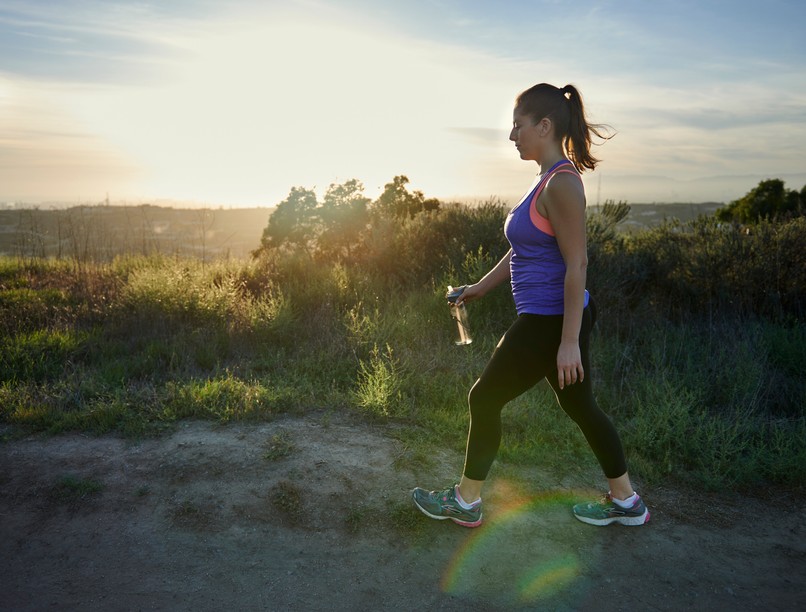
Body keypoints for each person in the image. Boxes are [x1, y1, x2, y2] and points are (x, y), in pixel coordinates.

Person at [411, 83, 649, 528]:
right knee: (581, 407)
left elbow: (577, 264)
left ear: (544, 126)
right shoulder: (544, 181)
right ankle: (626, 501)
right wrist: (480, 287)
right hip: (549, 318)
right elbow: (523, 249)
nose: (512, 135)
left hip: (551, 319)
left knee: (483, 398)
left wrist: (568, 342)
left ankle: (465, 502)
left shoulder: (561, 184)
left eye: (518, 125)